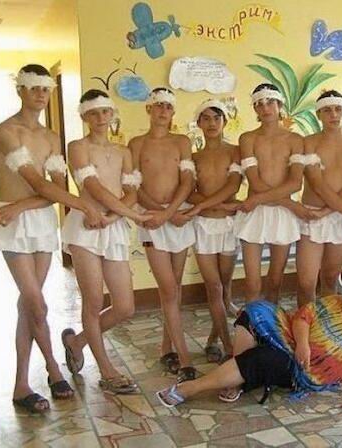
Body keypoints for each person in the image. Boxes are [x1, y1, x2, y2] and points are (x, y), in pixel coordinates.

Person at [0, 64, 103, 413]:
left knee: (28, 305)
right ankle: (53, 368)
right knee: (36, 303)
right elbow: (37, 182)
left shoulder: (51, 137)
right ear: (20, 90)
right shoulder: (5, 131)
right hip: (12, 223)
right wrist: (83, 205)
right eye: (33, 87)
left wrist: (23, 206)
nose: (40, 94)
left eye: (45, 88)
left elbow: (54, 189)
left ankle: (21, 384)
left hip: (37, 220)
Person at [156, 274, 342, 407]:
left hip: (303, 370)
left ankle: (191, 388)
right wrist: (302, 344)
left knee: (262, 358)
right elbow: (303, 317)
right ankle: (237, 381)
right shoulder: (336, 302)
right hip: (291, 338)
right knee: (254, 311)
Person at [60, 89, 150, 394]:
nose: (100, 118)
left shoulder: (124, 151)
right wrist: (132, 216)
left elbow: (132, 191)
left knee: (124, 306)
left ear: (112, 114)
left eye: (105, 111)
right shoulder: (77, 147)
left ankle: (76, 342)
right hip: (84, 227)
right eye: (93, 113)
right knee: (94, 301)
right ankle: (107, 372)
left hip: (111, 225)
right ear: (85, 116)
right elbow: (92, 186)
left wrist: (113, 218)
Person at [129, 87, 198, 380]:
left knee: (175, 287)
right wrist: (159, 213)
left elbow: (188, 180)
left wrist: (169, 213)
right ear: (148, 109)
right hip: (151, 220)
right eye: (158, 105)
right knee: (168, 289)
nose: (163, 111)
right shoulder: (137, 144)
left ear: (173, 112)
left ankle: (165, 348)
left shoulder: (181, 142)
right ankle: (184, 358)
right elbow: (133, 185)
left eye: (168, 107)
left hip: (177, 218)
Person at [234, 83, 305, 303]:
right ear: (255, 108)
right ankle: (251, 323)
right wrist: (287, 202)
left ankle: (271, 324)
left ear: (279, 104)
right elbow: (254, 181)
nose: (265, 108)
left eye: (270, 102)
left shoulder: (295, 140)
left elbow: (295, 183)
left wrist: (261, 199)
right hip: (255, 212)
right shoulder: (247, 139)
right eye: (259, 104)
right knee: (252, 283)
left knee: (275, 281)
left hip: (280, 214)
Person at [297, 90, 342, 307]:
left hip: (338, 217)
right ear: (319, 115)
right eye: (327, 110)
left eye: (338, 109)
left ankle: (326, 325)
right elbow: (317, 183)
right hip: (312, 215)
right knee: (306, 282)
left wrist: (330, 212)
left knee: (330, 278)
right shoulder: (308, 143)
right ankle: (305, 325)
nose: (334, 114)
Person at [184, 98, 243, 363]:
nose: (211, 123)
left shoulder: (235, 152)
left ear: (224, 121)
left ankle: (212, 339)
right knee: (214, 286)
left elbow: (233, 185)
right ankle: (228, 346)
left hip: (229, 226)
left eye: (216, 118)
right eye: (206, 118)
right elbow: (190, 192)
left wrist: (208, 205)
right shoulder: (194, 158)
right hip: (204, 226)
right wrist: (211, 206)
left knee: (225, 287)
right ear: (198, 123)